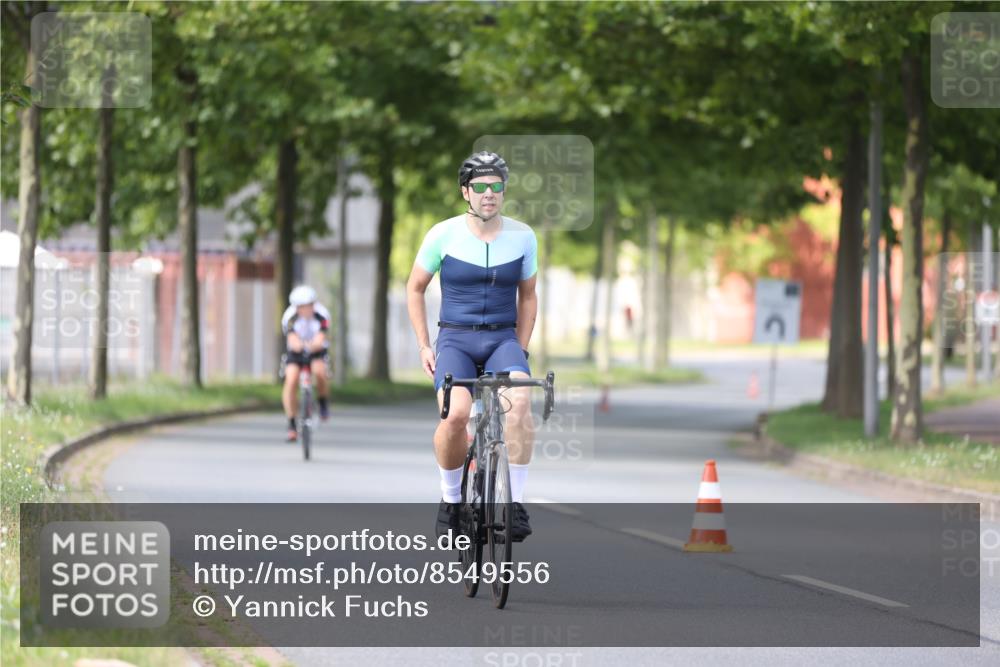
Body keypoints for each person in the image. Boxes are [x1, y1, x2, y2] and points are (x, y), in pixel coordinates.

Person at [406, 150, 539, 542]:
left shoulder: (524, 236)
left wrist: (521, 347)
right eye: (480, 186)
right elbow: (414, 288)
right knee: (456, 415)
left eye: (496, 186)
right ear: (466, 191)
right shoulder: (442, 234)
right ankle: (450, 500)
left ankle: (514, 506)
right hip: (455, 339)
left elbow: (528, 296)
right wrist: (424, 345)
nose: (489, 193)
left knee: (521, 405)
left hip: (502, 338)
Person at [281, 285, 331, 442]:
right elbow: (292, 339)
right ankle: (291, 422)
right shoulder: (289, 317)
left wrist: (312, 345)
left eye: (309, 305)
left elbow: (321, 338)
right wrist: (300, 346)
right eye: (302, 307)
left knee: (320, 372)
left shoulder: (322, 315)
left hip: (316, 350)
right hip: (296, 351)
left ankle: (323, 401)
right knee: (291, 379)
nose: (306, 310)